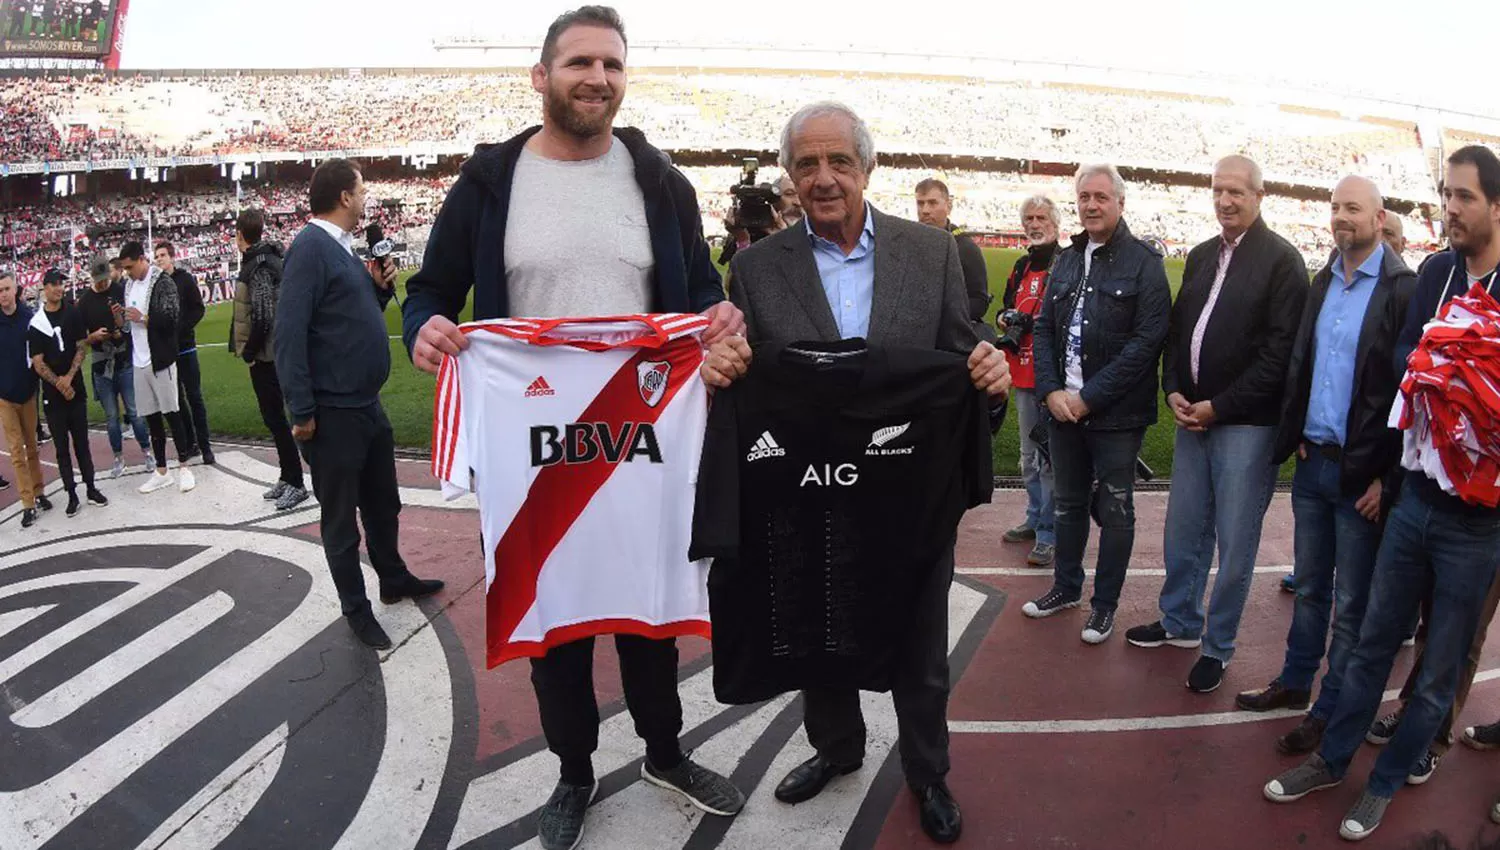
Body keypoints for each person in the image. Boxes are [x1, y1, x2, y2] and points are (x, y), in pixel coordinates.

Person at [404, 9, 746, 849]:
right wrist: (427, 325)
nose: (598, 78)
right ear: (541, 76)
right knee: (551, 618)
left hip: (644, 439)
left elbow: (699, 287)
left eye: (613, 65)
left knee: (646, 613)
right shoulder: (490, 182)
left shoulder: (660, 181)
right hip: (533, 442)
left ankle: (664, 751)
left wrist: (719, 317)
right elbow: (431, 287)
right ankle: (573, 770)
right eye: (580, 63)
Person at [699, 100, 1010, 846]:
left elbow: (960, 366)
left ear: (868, 168)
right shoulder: (755, 269)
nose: (824, 177)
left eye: (839, 160)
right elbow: (745, 380)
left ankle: (928, 772)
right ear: (789, 177)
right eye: (806, 163)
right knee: (818, 626)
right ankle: (835, 750)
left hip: (908, 497)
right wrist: (724, 365)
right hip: (811, 497)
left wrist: (988, 377)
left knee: (919, 645)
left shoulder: (929, 253)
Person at [1263, 145, 1500, 842]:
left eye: (1463, 197)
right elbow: (1404, 366)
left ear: (1496, 206)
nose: (1450, 208)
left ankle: (1385, 785)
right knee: (1370, 643)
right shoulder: (1434, 272)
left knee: (1438, 671)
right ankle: (1334, 760)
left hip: (1479, 522)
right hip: (1414, 499)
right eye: (1445, 194)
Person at [1235, 176, 1415, 753]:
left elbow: (1408, 392)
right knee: (1312, 587)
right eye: (1335, 206)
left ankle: (1330, 708)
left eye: (1353, 208)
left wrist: (1387, 478)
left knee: (1352, 606)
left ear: (1380, 217)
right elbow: (1303, 366)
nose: (1341, 216)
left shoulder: (1401, 289)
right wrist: (1299, 433)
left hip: (1362, 478)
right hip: (1314, 464)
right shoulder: (1323, 282)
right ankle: (1294, 683)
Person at [1125, 156, 1308, 693]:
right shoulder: (1204, 254)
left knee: (1235, 544)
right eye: (1218, 190)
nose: (1225, 200)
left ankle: (1217, 645)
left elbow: (1279, 357)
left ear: (1259, 194)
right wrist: (1174, 388)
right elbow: (1180, 331)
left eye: (1236, 191)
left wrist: (1220, 406)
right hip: (1193, 419)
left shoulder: (1282, 261)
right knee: (1182, 530)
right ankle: (1180, 621)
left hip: (1245, 426)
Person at [278, 158, 444, 651]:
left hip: (365, 406)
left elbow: (346, 317)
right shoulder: (309, 249)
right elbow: (289, 334)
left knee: (382, 502)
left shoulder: (340, 250)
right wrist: (302, 412)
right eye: (362, 189)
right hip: (333, 413)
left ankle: (392, 578)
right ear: (345, 197)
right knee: (340, 520)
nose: (367, 197)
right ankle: (356, 608)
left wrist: (378, 288)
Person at [1022, 163, 1171, 645]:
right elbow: (1044, 326)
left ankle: (1104, 606)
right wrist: (1049, 391)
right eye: (1084, 196)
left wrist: (1089, 398)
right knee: (1066, 505)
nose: (1090, 205)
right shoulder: (1067, 259)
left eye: (1101, 197)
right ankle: (1065, 589)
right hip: (1063, 408)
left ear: (1120, 203)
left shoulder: (1145, 263)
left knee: (1116, 508)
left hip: (1116, 416)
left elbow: (1146, 343)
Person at [999, 194, 1062, 566]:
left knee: (1048, 458)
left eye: (1041, 217)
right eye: (1029, 218)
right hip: (1021, 373)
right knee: (1027, 457)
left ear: (1054, 222)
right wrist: (1006, 319)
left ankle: (1048, 532)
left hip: (1051, 377)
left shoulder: (1067, 263)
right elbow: (1007, 309)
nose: (1034, 224)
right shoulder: (1021, 266)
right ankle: (1035, 516)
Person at [232, 209, 308, 510]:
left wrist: (249, 352)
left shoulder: (259, 265)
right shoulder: (262, 261)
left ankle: (297, 482)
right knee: (274, 419)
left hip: (268, 356)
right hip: (270, 353)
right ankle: (288, 476)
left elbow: (263, 315)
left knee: (277, 419)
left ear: (240, 235)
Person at [117, 241, 196, 495]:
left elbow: (172, 318)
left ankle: (185, 466)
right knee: (152, 418)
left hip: (160, 358)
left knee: (173, 412)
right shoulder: (129, 285)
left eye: (130, 266)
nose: (127, 272)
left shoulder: (162, 281)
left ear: (142, 259)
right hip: (139, 359)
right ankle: (162, 470)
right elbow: (129, 326)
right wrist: (123, 318)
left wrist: (144, 318)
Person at [28, 269, 108, 516]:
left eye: (61, 284)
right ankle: (71, 494)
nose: (58, 288)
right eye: (53, 284)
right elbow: (38, 362)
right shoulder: (37, 323)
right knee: (61, 448)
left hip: (75, 389)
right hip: (53, 396)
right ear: (45, 288)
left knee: (82, 443)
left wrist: (69, 378)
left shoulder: (72, 312)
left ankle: (91, 488)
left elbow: (81, 345)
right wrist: (60, 383)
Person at [75, 251, 152, 478]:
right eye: (99, 280)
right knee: (111, 417)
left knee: (135, 412)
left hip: (123, 359)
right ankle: (118, 457)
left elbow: (128, 326)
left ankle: (147, 451)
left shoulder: (119, 290)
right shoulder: (84, 302)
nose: (103, 284)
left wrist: (120, 325)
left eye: (105, 279)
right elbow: (80, 339)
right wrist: (93, 336)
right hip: (101, 365)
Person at [0, 271, 51, 527]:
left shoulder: (28, 319)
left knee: (32, 447)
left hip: (28, 394)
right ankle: (27, 503)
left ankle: (39, 491)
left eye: (7, 289)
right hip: (5, 397)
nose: (3, 295)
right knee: (16, 452)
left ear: (16, 289)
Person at [154, 242, 213, 464]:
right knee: (176, 400)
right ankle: (190, 444)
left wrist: (181, 328)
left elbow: (198, 308)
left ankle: (205, 445)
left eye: (162, 255)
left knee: (194, 397)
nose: (159, 259)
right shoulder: (156, 285)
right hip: (168, 352)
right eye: (156, 256)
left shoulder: (185, 279)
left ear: (171, 257)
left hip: (186, 348)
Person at [915, 177, 991, 322]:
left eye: (932, 203)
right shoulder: (908, 243)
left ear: (949, 206)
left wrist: (942, 313)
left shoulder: (966, 248)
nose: (925, 210)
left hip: (950, 338)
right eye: (920, 203)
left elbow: (980, 302)